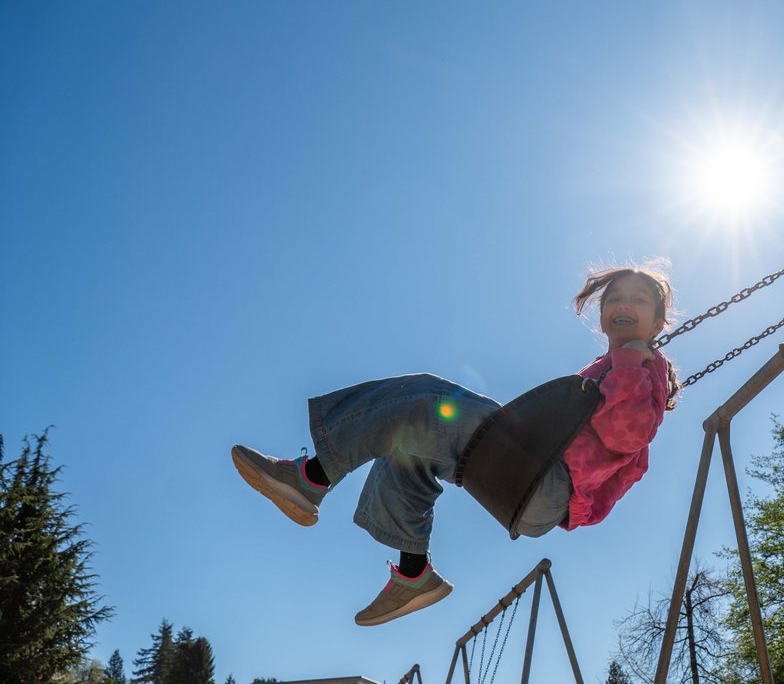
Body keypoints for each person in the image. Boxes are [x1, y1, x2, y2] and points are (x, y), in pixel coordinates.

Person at [231, 265, 680, 627]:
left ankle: (311, 479)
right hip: (528, 478)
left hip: (547, 489)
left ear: (659, 322)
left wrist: (629, 361)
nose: (623, 304)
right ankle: (414, 574)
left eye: (638, 299)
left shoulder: (645, 369)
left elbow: (628, 434)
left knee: (429, 401)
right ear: (602, 316)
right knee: (408, 445)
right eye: (615, 298)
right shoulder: (615, 365)